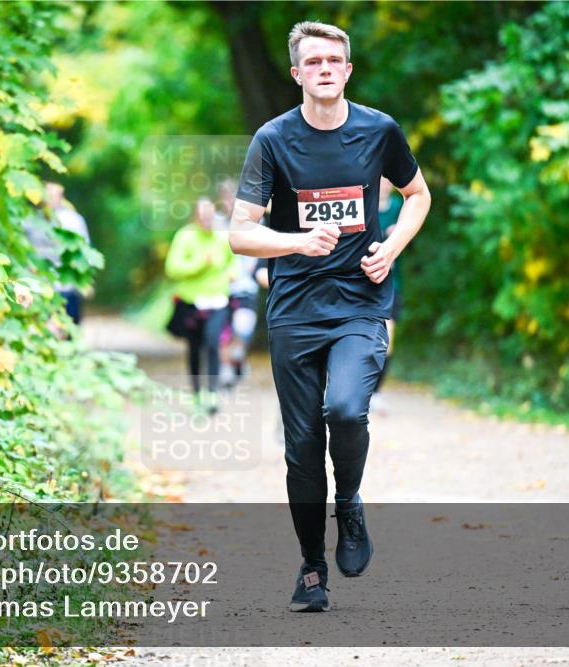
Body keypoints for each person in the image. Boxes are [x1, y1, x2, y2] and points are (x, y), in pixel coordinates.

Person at [228, 21, 431, 612]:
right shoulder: (272, 140)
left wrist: (391, 247)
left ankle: (351, 502)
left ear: (347, 70)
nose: (324, 68)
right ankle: (312, 569)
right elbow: (240, 234)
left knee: (345, 407)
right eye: (312, 61)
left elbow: (418, 194)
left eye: (334, 60)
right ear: (296, 73)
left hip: (361, 301)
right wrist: (295, 241)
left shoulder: (378, 130)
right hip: (295, 309)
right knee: (300, 445)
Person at [165, 197, 236, 412]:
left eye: (210, 216)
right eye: (203, 216)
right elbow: (173, 268)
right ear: (195, 216)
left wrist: (232, 274)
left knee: (214, 343)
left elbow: (233, 261)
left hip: (218, 300)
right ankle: (197, 393)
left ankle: (213, 393)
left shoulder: (222, 237)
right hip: (191, 302)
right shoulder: (185, 236)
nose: (207, 220)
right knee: (195, 348)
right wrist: (199, 264)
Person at [217, 178, 260, 387]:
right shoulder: (217, 224)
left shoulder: (255, 222)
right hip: (221, 287)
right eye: (225, 199)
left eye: (233, 198)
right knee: (222, 331)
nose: (229, 203)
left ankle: (238, 357)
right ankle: (225, 370)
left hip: (246, 287)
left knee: (243, 328)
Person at [370, 177, 405, 412]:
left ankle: (376, 392)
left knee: (386, 340)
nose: (383, 184)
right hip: (363, 284)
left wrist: (398, 236)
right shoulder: (363, 206)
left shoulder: (399, 208)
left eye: (386, 180)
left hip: (391, 285)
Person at [44, 182, 91, 324]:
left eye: (54, 195)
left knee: (70, 323)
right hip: (44, 285)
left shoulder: (74, 220)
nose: (50, 199)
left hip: (68, 285)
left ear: (60, 197)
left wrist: (85, 281)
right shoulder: (34, 219)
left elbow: (84, 251)